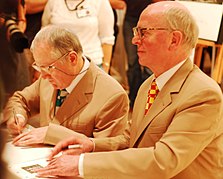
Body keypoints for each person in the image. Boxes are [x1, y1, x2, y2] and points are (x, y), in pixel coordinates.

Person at [36, 1, 223, 178]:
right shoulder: (150, 84)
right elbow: (132, 139)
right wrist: (92, 144)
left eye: (143, 32)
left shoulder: (203, 94)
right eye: (136, 31)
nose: (134, 40)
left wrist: (82, 164)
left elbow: (164, 160)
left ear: (174, 39)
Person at [3, 25, 129, 147]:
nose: (43, 75)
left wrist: (53, 135)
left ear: (72, 58)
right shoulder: (48, 77)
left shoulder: (112, 96)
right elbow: (20, 99)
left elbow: (104, 149)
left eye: (48, 68)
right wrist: (18, 116)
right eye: (38, 66)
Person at [42, 0, 115, 74]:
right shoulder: (53, 2)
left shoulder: (100, 2)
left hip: (91, 64)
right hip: (58, 66)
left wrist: (106, 67)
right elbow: (44, 35)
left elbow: (107, 38)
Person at [123, 0, 156, 109]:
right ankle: (134, 100)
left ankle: (149, 101)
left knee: (150, 65)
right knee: (132, 63)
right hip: (131, 18)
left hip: (154, 19)